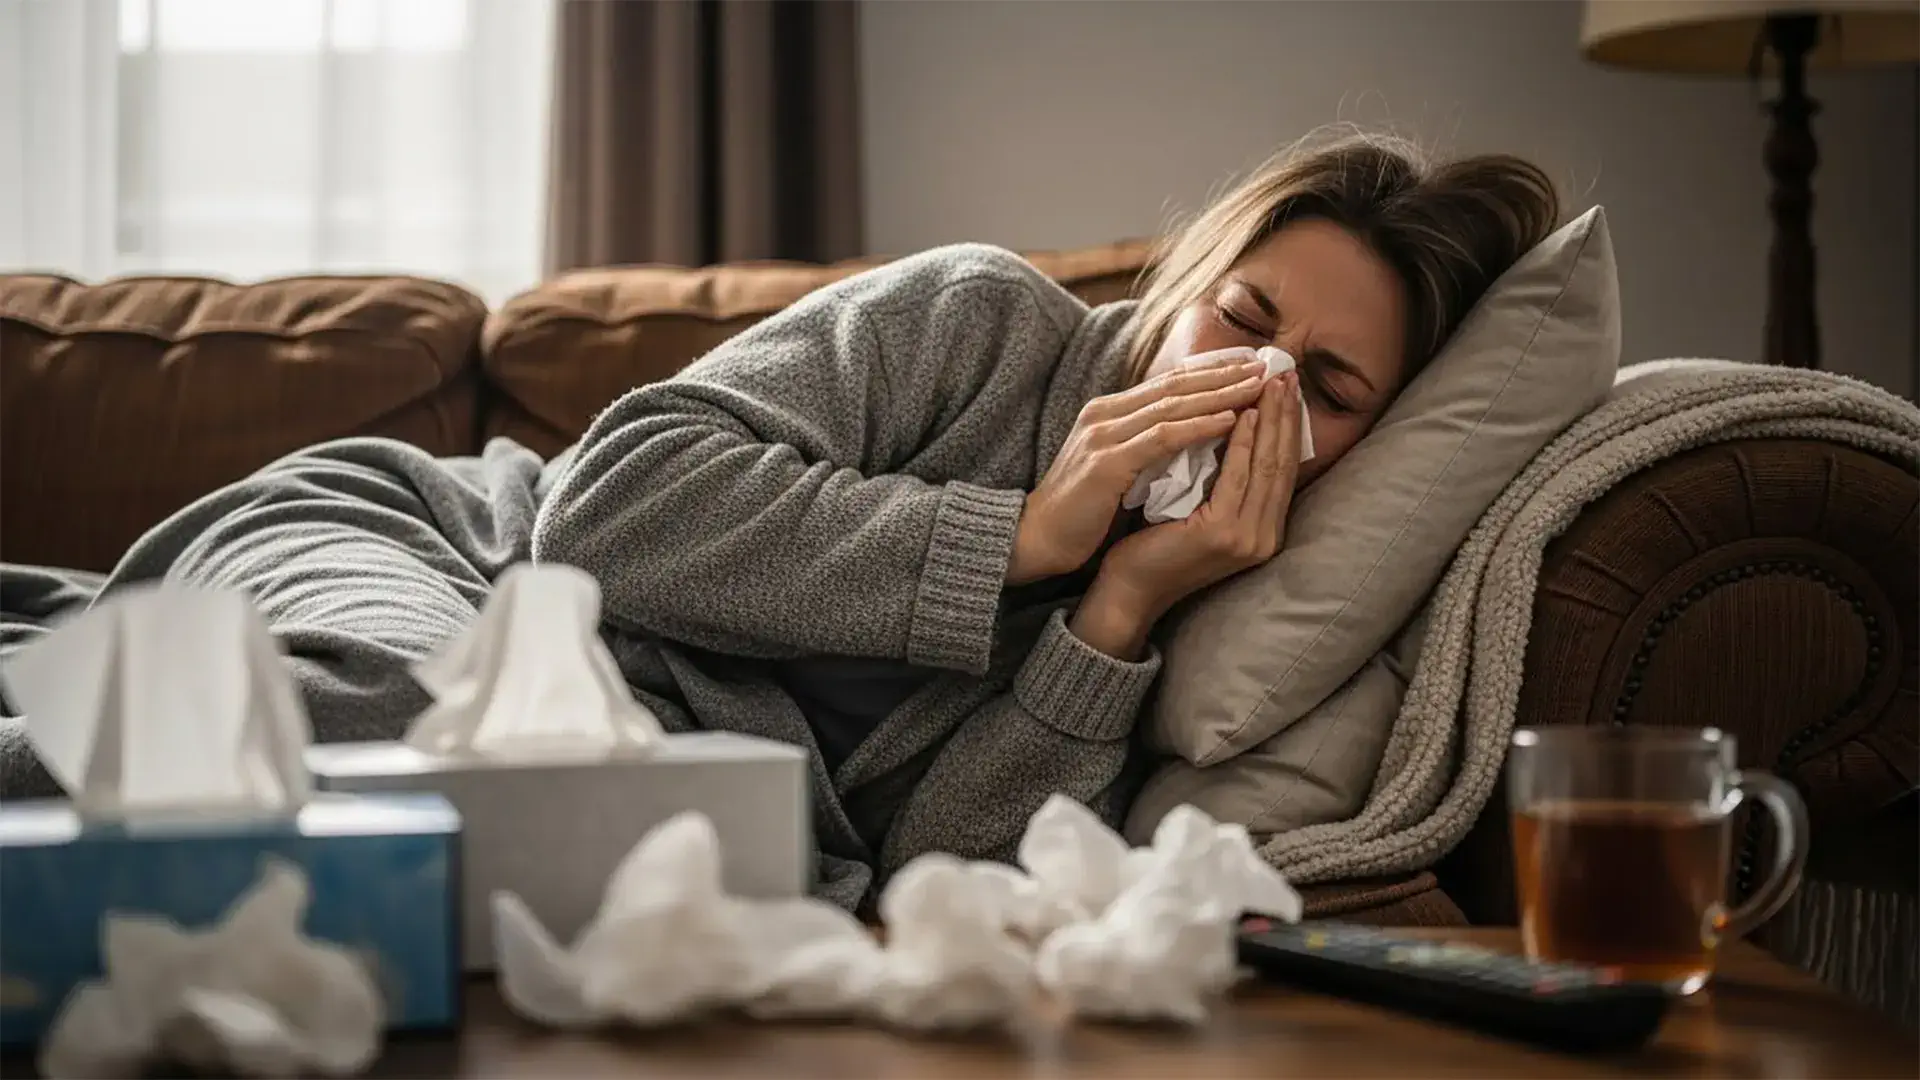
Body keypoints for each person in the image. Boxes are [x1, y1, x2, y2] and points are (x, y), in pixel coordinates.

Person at [531, 128, 1560, 909]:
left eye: (1326, 393)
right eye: (1240, 318)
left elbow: (953, 884)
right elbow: (604, 507)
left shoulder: (1236, 592)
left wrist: (1119, 607)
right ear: (1191, 280)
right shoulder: (979, 320)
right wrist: (1023, 536)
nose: (1250, 384)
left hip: (679, 777)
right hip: (468, 560)